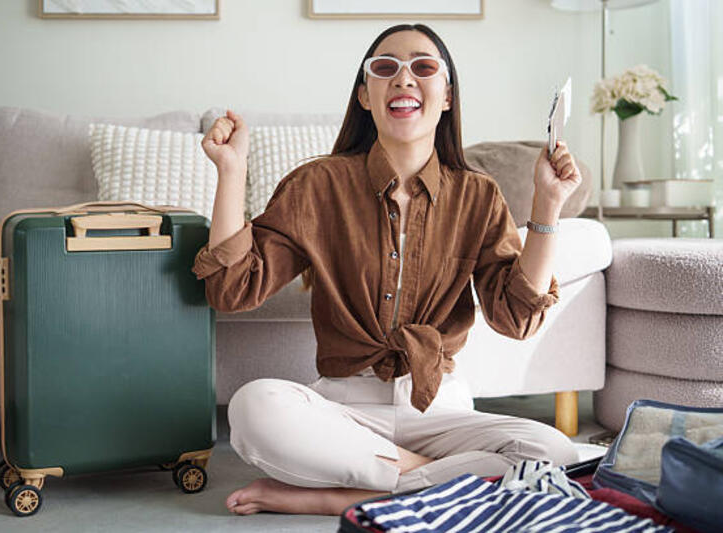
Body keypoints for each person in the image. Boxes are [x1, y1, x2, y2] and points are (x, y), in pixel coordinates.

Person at [191, 23, 583, 516]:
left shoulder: (477, 195)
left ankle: (341, 498)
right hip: (342, 411)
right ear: (364, 95)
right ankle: (433, 486)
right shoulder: (318, 184)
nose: (403, 79)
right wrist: (231, 170)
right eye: (385, 68)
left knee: (557, 452)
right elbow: (232, 289)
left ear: (446, 96)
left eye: (423, 67)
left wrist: (547, 205)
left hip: (440, 412)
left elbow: (515, 319)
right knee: (253, 408)